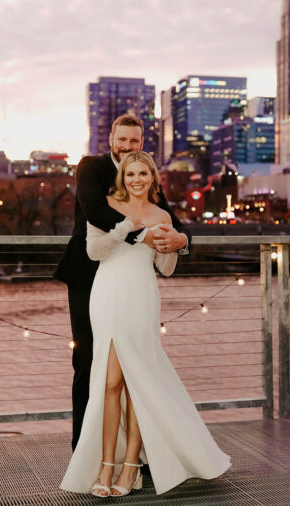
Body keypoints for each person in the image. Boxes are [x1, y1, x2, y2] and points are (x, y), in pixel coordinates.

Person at [60, 151, 230, 496]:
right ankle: (106, 466)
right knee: (109, 382)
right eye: (131, 173)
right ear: (123, 176)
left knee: (137, 379)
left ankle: (130, 467)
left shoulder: (161, 214)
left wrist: (173, 245)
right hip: (107, 295)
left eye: (144, 174)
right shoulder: (105, 207)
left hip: (141, 297)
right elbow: (94, 252)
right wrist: (127, 230)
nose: (137, 179)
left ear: (153, 178)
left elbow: (164, 268)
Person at [54, 114, 190, 451]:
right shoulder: (91, 166)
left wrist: (182, 240)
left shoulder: (144, 176)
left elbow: (173, 221)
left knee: (134, 362)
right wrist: (145, 235)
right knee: (87, 361)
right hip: (88, 276)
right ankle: (83, 451)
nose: (127, 146)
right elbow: (96, 211)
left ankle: (139, 452)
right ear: (111, 138)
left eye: (134, 141)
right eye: (122, 139)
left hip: (129, 284)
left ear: (141, 144)